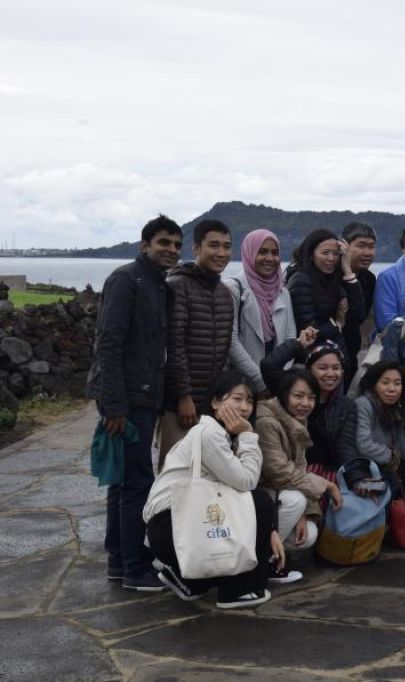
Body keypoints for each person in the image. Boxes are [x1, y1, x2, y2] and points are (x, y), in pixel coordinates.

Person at [87, 214, 182, 592]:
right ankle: (132, 567)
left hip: (143, 395)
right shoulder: (126, 279)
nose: (171, 250)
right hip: (127, 399)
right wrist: (114, 405)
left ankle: (119, 556)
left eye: (176, 245)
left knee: (123, 480)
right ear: (145, 245)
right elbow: (108, 343)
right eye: (164, 243)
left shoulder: (159, 284)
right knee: (136, 482)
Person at [145, 371, 283, 609]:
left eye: (249, 401)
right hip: (174, 528)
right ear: (216, 403)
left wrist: (270, 528)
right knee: (259, 501)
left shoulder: (213, 433)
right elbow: (247, 481)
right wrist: (248, 434)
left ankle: (190, 581)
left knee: (252, 502)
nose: (244, 407)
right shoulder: (209, 434)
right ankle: (239, 590)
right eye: (237, 399)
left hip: (170, 528)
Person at [158, 219, 235, 470]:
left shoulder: (224, 293)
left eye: (226, 246)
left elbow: (224, 350)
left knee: (205, 473)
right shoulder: (178, 285)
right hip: (180, 401)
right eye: (214, 245)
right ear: (196, 249)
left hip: (209, 401)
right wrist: (183, 396)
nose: (221, 253)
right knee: (175, 471)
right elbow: (174, 344)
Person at [256, 368, 343, 583]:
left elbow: (300, 468)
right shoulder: (266, 422)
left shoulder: (296, 420)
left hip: (276, 493)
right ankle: (256, 563)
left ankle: (271, 560)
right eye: (298, 396)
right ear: (284, 394)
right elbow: (278, 472)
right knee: (295, 500)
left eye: (311, 397)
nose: (305, 403)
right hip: (258, 496)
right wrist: (327, 485)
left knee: (308, 535)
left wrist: (303, 514)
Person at [262, 338, 361, 492]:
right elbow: (269, 366)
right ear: (309, 369)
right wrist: (298, 344)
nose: (330, 374)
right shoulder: (290, 389)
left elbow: (346, 448)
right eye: (322, 368)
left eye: (336, 368)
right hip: (287, 469)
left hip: (325, 472)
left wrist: (356, 478)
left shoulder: (346, 406)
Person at [225, 229, 297, 394]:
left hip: (277, 385)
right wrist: (260, 382)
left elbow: (290, 339)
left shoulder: (282, 292)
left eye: (275, 253)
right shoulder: (233, 289)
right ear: (249, 253)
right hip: (242, 384)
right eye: (262, 252)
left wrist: (281, 379)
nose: (270, 258)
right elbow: (231, 342)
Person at [286, 228, 366, 357]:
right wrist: (337, 324)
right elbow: (308, 330)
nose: (331, 258)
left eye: (336, 253)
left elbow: (358, 316)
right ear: (311, 255)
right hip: (311, 358)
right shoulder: (300, 280)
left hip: (334, 354)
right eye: (325, 253)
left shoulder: (332, 279)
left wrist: (347, 269)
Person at [353, 361, 405, 494]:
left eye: (397, 383)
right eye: (385, 383)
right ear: (374, 384)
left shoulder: (398, 407)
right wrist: (392, 456)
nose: (392, 389)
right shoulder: (363, 404)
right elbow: (363, 444)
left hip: (393, 471)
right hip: (369, 471)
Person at [340, 222, 379, 388]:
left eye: (371, 247)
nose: (367, 252)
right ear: (344, 246)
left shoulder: (369, 279)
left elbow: (359, 317)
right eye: (361, 246)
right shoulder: (331, 273)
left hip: (351, 349)